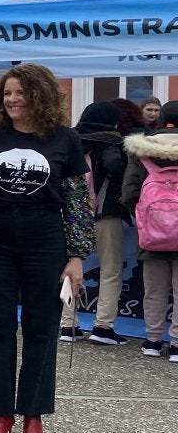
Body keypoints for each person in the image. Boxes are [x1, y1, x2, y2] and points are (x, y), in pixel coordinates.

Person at [0, 63, 93, 433]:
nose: (13, 99)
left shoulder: (65, 140)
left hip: (46, 244)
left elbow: (77, 202)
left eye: (21, 92)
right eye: (7, 93)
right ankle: (0, 413)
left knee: (42, 329)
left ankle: (33, 415)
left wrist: (76, 256)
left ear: (40, 94)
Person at [62, 101, 135, 345]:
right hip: (106, 214)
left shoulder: (70, 140)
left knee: (69, 269)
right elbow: (115, 166)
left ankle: (67, 325)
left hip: (71, 214)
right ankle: (103, 327)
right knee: (111, 270)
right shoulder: (113, 142)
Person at [122, 100, 178, 360]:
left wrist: (146, 214)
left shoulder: (142, 148)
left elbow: (130, 191)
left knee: (154, 289)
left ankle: (153, 341)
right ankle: (177, 344)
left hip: (152, 233)